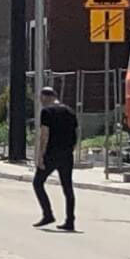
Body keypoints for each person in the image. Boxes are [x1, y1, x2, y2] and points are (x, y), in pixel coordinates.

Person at [32, 86, 78, 230]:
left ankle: (48, 214)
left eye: (41, 98)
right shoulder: (70, 111)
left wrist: (40, 156)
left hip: (52, 154)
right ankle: (70, 221)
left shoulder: (47, 112)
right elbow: (76, 132)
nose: (41, 101)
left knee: (38, 182)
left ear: (47, 97)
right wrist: (72, 149)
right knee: (67, 188)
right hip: (67, 154)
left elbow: (44, 134)